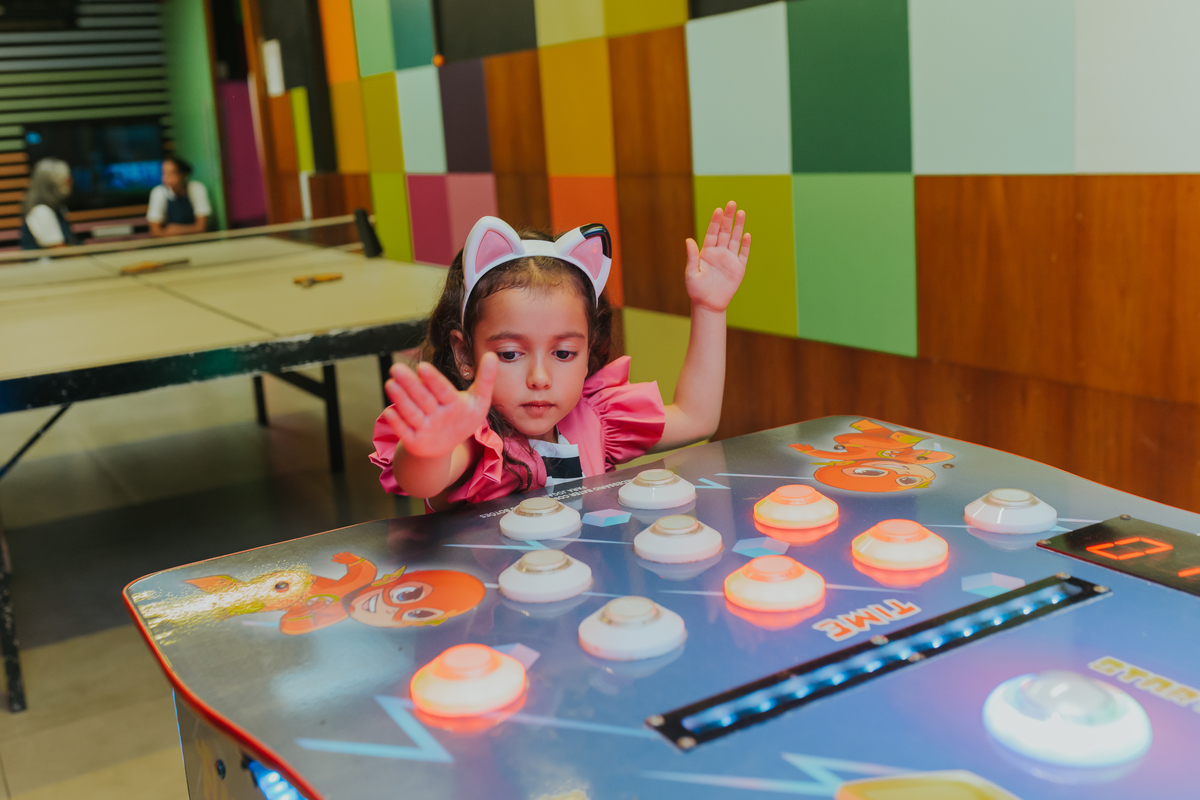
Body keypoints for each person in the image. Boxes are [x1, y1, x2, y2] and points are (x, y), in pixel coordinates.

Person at [369, 202, 751, 510]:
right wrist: (427, 446)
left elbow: (696, 418)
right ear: (465, 354)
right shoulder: (473, 440)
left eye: (564, 352)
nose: (540, 377)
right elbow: (422, 478)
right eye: (511, 353)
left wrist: (710, 309)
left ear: (589, 352)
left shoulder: (600, 421)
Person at [19, 158, 76, 249]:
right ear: (52, 184)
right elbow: (58, 250)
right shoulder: (41, 211)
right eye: (65, 179)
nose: (70, 182)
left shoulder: (58, 208)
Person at [147, 155, 210, 236]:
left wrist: (174, 230)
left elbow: (202, 227)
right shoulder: (158, 192)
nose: (167, 179)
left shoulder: (196, 188)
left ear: (183, 174)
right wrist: (193, 228)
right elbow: (155, 231)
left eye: (172, 173)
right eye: (164, 173)